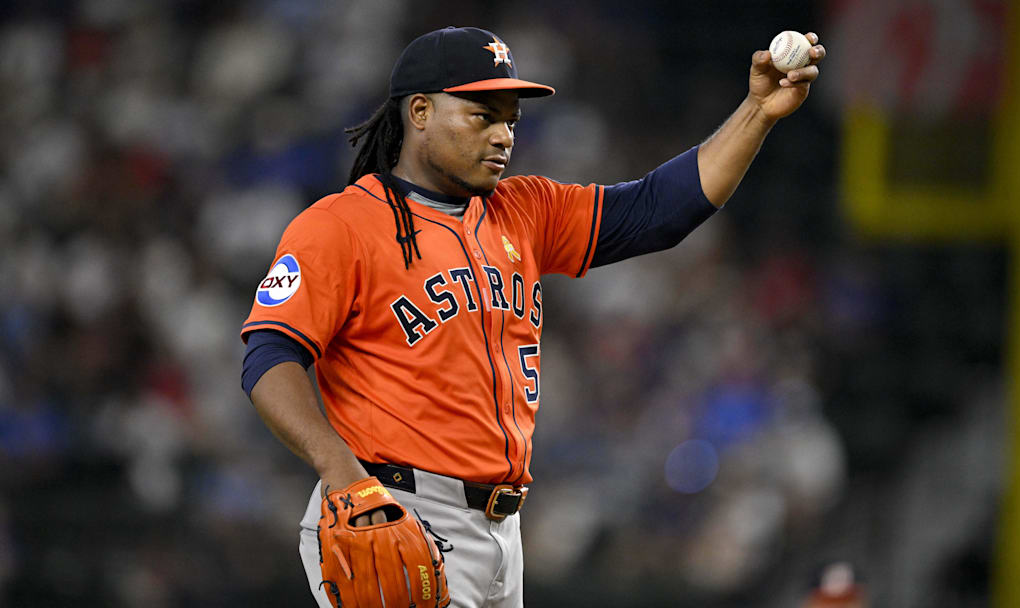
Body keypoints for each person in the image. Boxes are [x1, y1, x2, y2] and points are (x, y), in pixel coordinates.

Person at [240, 25, 826, 608]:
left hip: (503, 531)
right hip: (395, 511)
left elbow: (659, 210)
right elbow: (269, 355)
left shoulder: (525, 210)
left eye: (510, 120)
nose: (503, 136)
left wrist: (757, 112)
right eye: (482, 115)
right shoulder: (340, 226)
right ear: (419, 111)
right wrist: (341, 473)